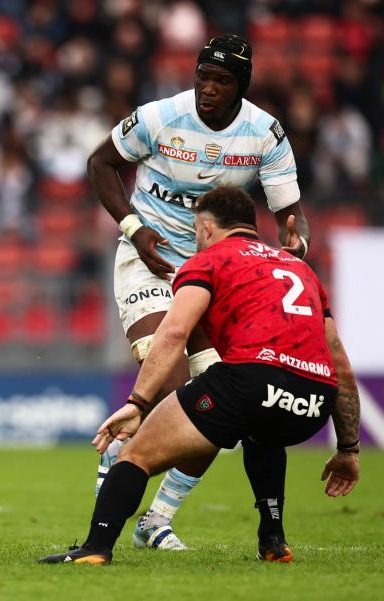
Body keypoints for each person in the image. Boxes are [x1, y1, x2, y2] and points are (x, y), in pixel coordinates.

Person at [39, 185, 361, 565]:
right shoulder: (300, 268)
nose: (195, 237)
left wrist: (137, 402)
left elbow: (174, 332)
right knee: (263, 432)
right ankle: (273, 540)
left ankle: (94, 549)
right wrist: (348, 448)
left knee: (136, 455)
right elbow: (339, 361)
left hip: (250, 382)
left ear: (207, 228)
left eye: (195, 229)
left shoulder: (209, 260)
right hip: (311, 402)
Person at [86, 34, 310, 550]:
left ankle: (154, 520)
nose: (208, 89)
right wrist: (133, 228)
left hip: (217, 275)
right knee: (167, 389)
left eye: (222, 80)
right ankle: (112, 500)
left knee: (214, 403)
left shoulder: (265, 134)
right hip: (151, 262)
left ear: (242, 85)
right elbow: (100, 164)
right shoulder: (160, 116)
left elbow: (291, 217)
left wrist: (296, 242)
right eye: (203, 76)